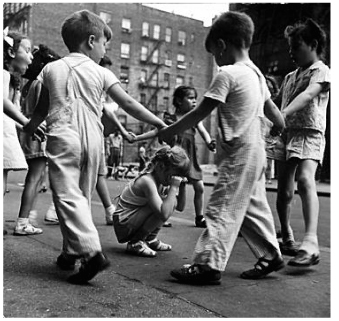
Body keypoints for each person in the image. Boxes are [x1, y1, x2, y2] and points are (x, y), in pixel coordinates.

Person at [23, 10, 167, 284]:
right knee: (81, 198)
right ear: (91, 41)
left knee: (67, 196)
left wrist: (30, 127)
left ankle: (90, 252)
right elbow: (129, 104)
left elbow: (41, 107)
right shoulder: (101, 72)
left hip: (64, 134)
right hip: (93, 139)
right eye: (104, 44)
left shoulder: (51, 69)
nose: (104, 50)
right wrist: (158, 122)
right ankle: (69, 254)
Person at [158, 11, 285, 284]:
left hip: (239, 153)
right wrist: (279, 126)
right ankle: (270, 253)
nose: (215, 60)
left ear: (221, 45)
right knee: (252, 206)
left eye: (214, 53)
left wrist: (170, 130)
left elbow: (199, 112)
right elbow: (274, 112)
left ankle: (207, 265)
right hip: (257, 151)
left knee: (221, 208)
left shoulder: (228, 73)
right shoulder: (257, 75)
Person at [273, 19, 330, 266]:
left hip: (309, 132)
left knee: (306, 179)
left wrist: (281, 115)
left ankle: (311, 242)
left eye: (296, 46)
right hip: (285, 135)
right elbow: (277, 102)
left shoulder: (321, 70)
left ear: (313, 44)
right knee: (284, 191)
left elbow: (307, 95)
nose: (291, 52)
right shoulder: (288, 76)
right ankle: (285, 235)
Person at [14, 44, 61, 236]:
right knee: (34, 178)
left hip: (27, 131)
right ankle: (23, 220)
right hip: (39, 132)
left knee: (35, 178)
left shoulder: (28, 84)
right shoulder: (43, 83)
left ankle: (27, 216)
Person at [3, 28, 44, 235]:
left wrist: (29, 127)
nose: (30, 57)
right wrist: (28, 124)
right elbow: (3, 104)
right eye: (27, 51)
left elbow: (12, 113)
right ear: (11, 52)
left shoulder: (14, 81)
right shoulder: (1, 75)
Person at [113, 145, 189, 257]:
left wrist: (182, 187)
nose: (175, 178)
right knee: (164, 205)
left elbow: (180, 207)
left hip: (131, 220)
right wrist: (173, 187)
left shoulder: (162, 180)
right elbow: (164, 214)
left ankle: (150, 239)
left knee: (171, 201)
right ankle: (135, 242)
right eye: (175, 174)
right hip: (124, 224)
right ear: (162, 167)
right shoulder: (147, 181)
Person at [165, 86, 216, 228]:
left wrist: (209, 142)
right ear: (179, 101)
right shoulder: (171, 118)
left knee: (199, 187)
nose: (194, 101)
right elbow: (163, 133)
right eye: (190, 98)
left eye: (195, 98)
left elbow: (203, 131)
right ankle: (163, 215)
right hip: (176, 158)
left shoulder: (194, 117)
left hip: (191, 158)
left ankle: (199, 217)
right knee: (172, 191)